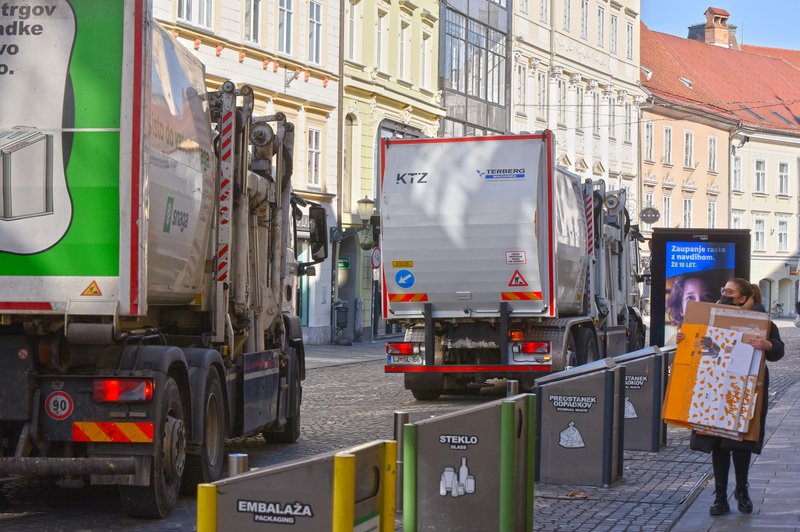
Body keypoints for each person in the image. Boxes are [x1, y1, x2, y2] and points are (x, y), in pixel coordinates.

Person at [677, 278, 784, 516]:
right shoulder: (712, 313)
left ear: (744, 296)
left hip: (746, 386)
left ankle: (741, 490)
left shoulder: (760, 319)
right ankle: (720, 496)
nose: (724, 293)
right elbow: (695, 341)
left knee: (741, 442)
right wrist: (683, 340)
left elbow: (778, 349)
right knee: (718, 443)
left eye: (729, 291)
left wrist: (767, 344)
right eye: (723, 289)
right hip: (716, 384)